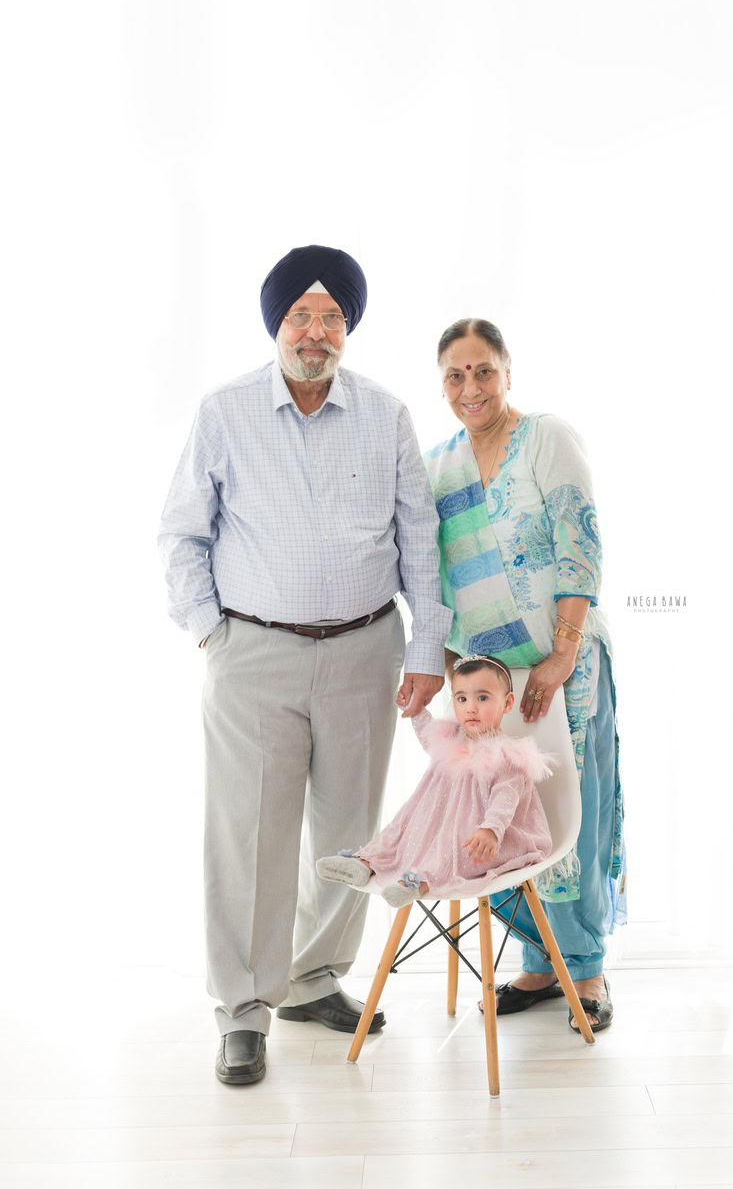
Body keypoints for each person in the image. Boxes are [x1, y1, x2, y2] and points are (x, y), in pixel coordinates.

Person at [157, 245, 451, 1085]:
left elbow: (419, 540)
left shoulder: (386, 415)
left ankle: (313, 978)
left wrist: (425, 648)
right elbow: (182, 533)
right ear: (276, 324)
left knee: (350, 833)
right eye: (300, 315)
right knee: (249, 837)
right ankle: (244, 1011)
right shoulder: (225, 412)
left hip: (365, 649)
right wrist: (213, 633)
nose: (315, 332)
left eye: (331, 317)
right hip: (254, 653)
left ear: (347, 329)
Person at [424, 318, 626, 1034]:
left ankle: (588, 968)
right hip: (488, 684)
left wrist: (562, 655)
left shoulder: (548, 439)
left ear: (508, 372)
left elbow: (580, 545)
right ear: (442, 384)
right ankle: (540, 967)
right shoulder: (438, 466)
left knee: (574, 810)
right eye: (455, 375)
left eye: (483, 371)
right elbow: (437, 579)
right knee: (502, 817)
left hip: (558, 665)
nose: (470, 387)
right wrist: (450, 678)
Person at [316, 654, 555, 906]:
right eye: (462, 699)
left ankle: (419, 881)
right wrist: (416, 709)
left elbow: (506, 799)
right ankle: (367, 861)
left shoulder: (507, 755)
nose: (470, 707)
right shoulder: (452, 736)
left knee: (459, 850)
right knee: (405, 824)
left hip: (489, 836)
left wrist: (491, 829)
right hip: (443, 823)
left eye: (482, 698)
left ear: (506, 703)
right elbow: (428, 736)